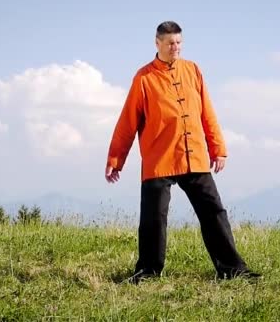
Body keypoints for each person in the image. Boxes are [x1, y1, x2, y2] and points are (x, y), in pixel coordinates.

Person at [105, 21, 260, 283]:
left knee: (214, 212)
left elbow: (207, 112)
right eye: (169, 43)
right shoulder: (143, 78)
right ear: (157, 44)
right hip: (159, 158)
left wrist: (218, 148)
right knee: (153, 218)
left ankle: (232, 270)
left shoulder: (193, 70)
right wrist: (115, 160)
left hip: (194, 156)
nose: (175, 48)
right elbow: (127, 122)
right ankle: (148, 273)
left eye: (178, 43)